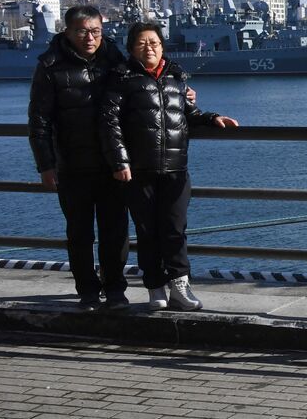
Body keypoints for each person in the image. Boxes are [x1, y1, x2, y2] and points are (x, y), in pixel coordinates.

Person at [101, 22, 237, 312]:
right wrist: (119, 161)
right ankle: (155, 288)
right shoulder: (121, 77)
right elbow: (109, 122)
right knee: (148, 231)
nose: (148, 47)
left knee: (175, 229)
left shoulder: (176, 77)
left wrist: (213, 118)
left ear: (162, 46)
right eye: (141, 43)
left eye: (153, 42)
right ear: (130, 49)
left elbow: (190, 113)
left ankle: (179, 286)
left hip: (175, 169)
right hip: (138, 171)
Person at [28, 5, 130, 311]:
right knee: (79, 233)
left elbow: (142, 91)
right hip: (71, 166)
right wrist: (46, 165)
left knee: (116, 232)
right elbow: (39, 120)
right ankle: (87, 290)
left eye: (96, 31)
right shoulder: (49, 66)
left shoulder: (116, 58)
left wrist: (183, 91)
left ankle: (115, 290)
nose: (90, 37)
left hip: (111, 163)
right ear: (67, 32)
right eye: (82, 31)